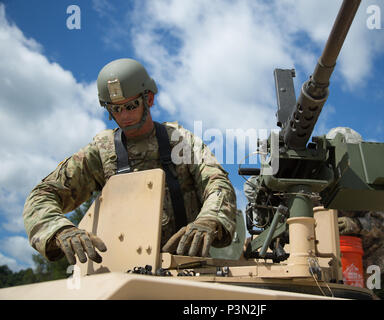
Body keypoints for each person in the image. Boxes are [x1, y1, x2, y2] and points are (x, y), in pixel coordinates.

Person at [23, 58, 237, 265]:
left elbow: (217, 183)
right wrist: (61, 230)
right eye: (115, 109)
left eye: (131, 105)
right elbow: (41, 196)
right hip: (121, 269)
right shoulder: (102, 151)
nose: (124, 115)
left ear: (149, 99)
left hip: (184, 265)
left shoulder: (182, 142)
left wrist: (209, 220)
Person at [244, 127, 384, 277]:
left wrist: (356, 224)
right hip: (304, 260)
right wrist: (270, 166)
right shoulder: (314, 178)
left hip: (361, 269)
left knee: (381, 230)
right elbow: (251, 189)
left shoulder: (364, 185)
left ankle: (368, 288)